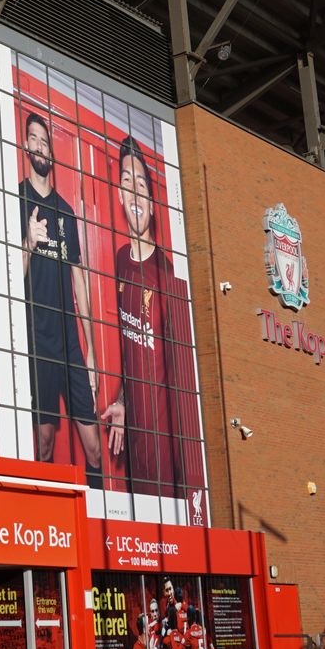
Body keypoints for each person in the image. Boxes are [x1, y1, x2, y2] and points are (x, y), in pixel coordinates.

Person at [99, 136, 204, 521]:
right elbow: (123, 348)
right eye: (126, 182)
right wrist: (124, 402)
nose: (133, 190)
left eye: (140, 183)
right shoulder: (118, 262)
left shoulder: (167, 271)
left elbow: (181, 364)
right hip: (134, 434)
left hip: (166, 437)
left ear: (151, 200)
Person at [19, 113, 102, 480]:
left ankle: (101, 525)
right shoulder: (17, 199)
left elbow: (79, 281)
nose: (39, 146)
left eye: (45, 141)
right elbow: (10, 277)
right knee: (45, 443)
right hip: (37, 339)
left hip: (69, 341)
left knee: (94, 448)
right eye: (33, 139)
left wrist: (91, 348)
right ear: (25, 146)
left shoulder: (66, 212)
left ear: (51, 151)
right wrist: (29, 243)